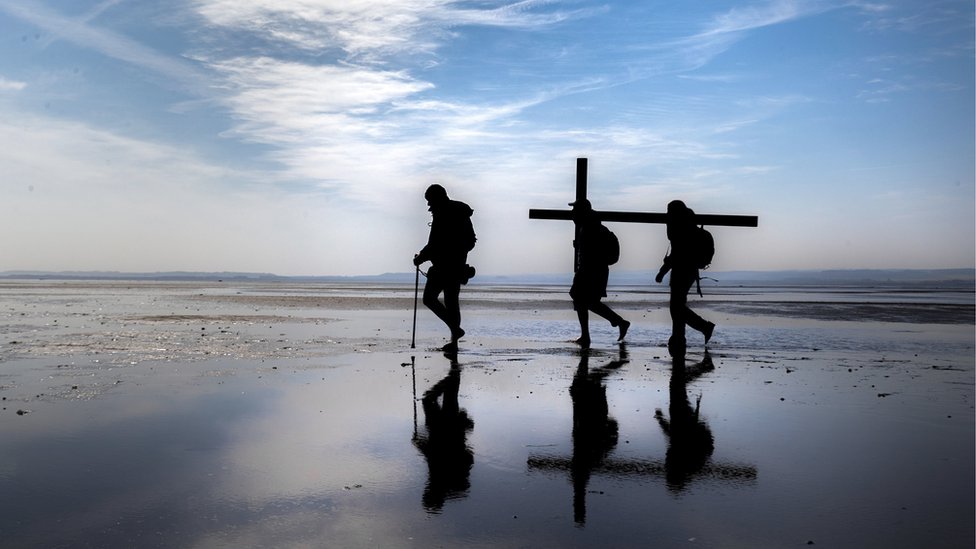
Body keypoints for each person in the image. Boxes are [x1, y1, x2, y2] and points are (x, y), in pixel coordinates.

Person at [414, 184, 476, 352]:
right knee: (451, 302)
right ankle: (454, 342)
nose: (429, 206)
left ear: (436, 198)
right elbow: (471, 241)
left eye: (429, 201)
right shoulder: (459, 212)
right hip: (457, 266)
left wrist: (420, 257)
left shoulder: (442, 213)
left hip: (444, 267)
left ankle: (455, 330)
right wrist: (459, 254)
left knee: (429, 299)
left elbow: (435, 244)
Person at [655, 200, 715, 357]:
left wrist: (662, 272)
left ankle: (702, 327)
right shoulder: (688, 225)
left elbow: (676, 254)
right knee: (677, 305)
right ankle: (678, 338)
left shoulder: (679, 229)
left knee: (676, 307)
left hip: (682, 270)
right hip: (689, 271)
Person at [568, 199, 629, 349]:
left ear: (582, 211)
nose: (572, 213)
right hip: (595, 270)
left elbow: (592, 251)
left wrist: (582, 247)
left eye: (574, 210)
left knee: (584, 300)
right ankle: (616, 323)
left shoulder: (589, 227)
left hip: (591, 270)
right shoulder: (591, 225)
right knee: (585, 300)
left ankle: (591, 334)